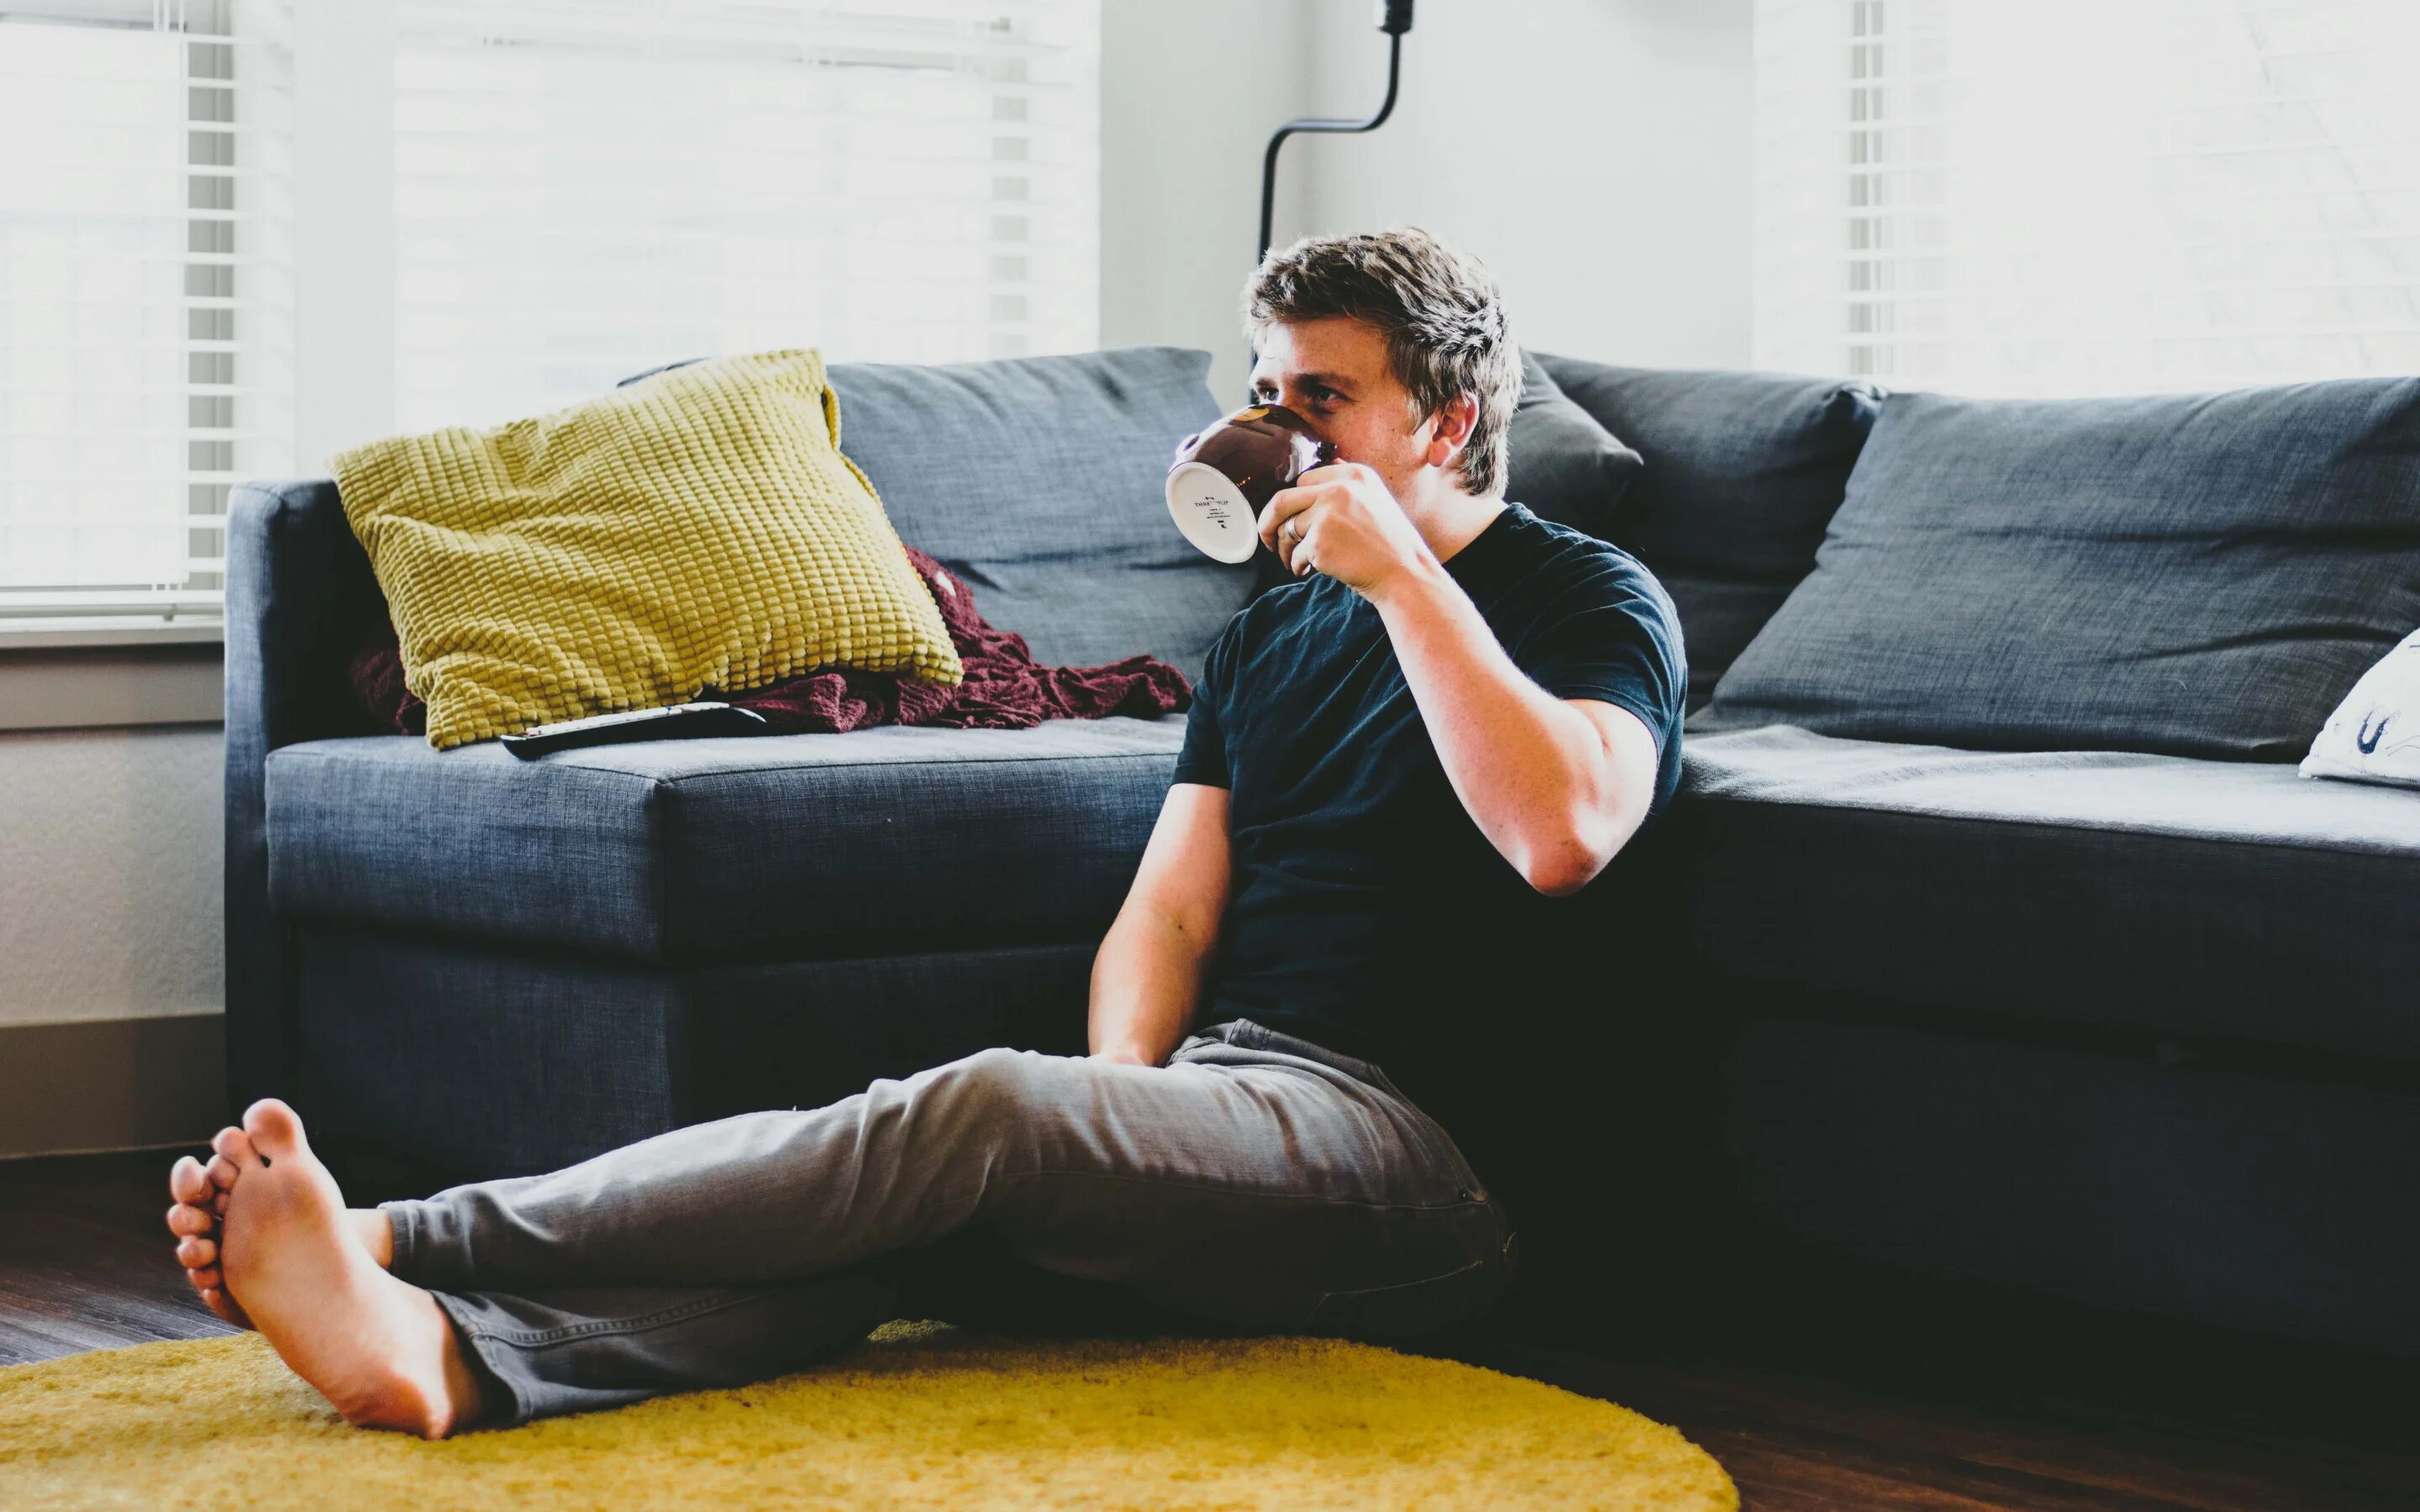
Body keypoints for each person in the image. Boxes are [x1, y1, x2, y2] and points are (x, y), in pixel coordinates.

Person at [162, 226, 1686, 1438]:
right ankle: (456, 1366)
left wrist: (1406, 583)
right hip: (1237, 1102)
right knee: (914, 1210)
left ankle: (404, 1243)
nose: (1274, 431)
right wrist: (1124, 1118)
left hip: (1430, 1171)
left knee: (973, 1118)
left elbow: (1562, 832)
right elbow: (1165, 918)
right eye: (1265, 393)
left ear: (1451, 420)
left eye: (1322, 402)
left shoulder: (1589, 600)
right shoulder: (1269, 641)